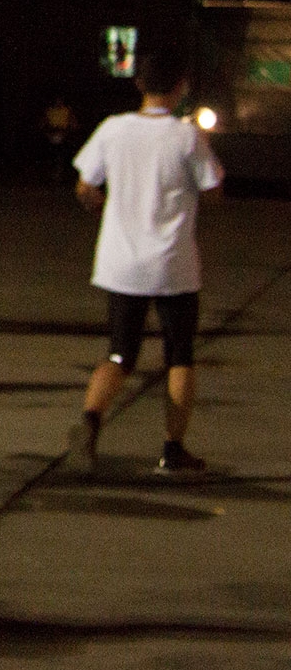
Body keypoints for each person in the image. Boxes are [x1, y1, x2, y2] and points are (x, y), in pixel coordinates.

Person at [64, 51, 224, 476]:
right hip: (173, 265)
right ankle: (173, 450)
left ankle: (90, 421)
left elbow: (85, 187)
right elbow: (213, 190)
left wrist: (103, 203)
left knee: (120, 354)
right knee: (179, 356)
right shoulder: (186, 137)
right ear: (181, 87)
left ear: (139, 84)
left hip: (122, 263)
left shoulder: (112, 129)